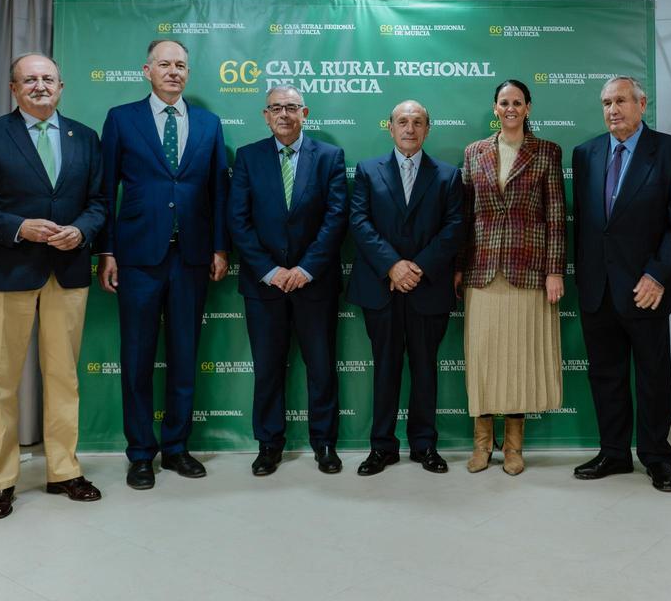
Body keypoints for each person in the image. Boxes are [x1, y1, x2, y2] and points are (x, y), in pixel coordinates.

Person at [0, 52, 105, 519]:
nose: (40, 86)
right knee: (0, 381)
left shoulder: (86, 137)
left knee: (64, 377)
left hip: (69, 270)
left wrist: (82, 230)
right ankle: (0, 482)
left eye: (48, 79)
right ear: (13, 89)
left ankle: (64, 472)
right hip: (6, 271)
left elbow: (98, 202)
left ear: (61, 86)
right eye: (29, 79)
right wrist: (19, 227)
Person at [97, 39, 229, 490]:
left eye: (181, 65)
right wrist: (107, 251)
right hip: (136, 257)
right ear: (147, 70)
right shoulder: (121, 119)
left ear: (188, 73)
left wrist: (218, 247)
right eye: (165, 64)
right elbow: (104, 190)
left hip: (191, 257)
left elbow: (218, 192)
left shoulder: (209, 124)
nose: (174, 71)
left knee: (184, 355)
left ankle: (176, 448)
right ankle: (140, 454)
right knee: (136, 357)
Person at [571, 76, 671, 491]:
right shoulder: (585, 153)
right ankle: (613, 452)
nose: (613, 109)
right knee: (605, 375)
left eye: (621, 100)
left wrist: (658, 274)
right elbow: (589, 228)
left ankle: (657, 457)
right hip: (597, 288)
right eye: (607, 102)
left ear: (643, 104)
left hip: (647, 287)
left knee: (652, 376)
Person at [227, 84, 348, 476]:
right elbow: (238, 221)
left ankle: (325, 443)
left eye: (291, 107)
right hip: (264, 285)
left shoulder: (329, 157)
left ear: (305, 113)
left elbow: (335, 219)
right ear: (265, 115)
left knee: (321, 367)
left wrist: (305, 268)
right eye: (275, 108)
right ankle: (268, 444)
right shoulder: (248, 158)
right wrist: (271, 270)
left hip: (314, 283)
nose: (283, 114)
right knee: (267, 368)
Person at [347, 100, 464, 475]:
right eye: (402, 122)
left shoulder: (448, 175)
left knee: (426, 368)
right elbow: (360, 222)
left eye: (417, 122)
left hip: (428, 287)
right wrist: (393, 266)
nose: (409, 128)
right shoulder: (367, 170)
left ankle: (424, 445)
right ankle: (382, 446)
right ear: (390, 127)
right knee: (385, 368)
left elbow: (454, 228)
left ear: (428, 129)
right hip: (382, 287)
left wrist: (418, 268)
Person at [455, 78, 565, 476]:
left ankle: (514, 448)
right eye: (504, 102)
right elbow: (464, 216)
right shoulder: (474, 152)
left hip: (528, 270)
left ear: (529, 107)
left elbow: (556, 216)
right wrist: (457, 266)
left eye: (518, 102)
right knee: (483, 359)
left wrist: (555, 270)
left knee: (518, 360)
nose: (511, 108)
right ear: (495, 108)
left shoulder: (547, 152)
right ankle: (482, 445)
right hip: (482, 271)